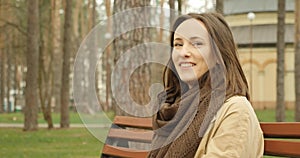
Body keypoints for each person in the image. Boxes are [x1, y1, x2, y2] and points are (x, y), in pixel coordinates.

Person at [147, 12, 264, 158]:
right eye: (178, 44)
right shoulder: (173, 110)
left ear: (218, 54)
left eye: (197, 43)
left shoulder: (236, 111)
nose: (183, 52)